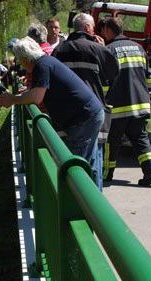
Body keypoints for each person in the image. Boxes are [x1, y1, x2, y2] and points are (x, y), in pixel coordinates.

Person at [0, 37, 104, 185]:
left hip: (83, 118)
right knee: (88, 161)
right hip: (88, 114)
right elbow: (37, 91)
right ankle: (92, 201)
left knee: (78, 166)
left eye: (19, 60)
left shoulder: (41, 66)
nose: (20, 64)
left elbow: (36, 97)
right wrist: (19, 95)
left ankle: (82, 204)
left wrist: (12, 100)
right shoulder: (45, 62)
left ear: (25, 58)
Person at [56, 13, 119, 190]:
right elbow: (113, 75)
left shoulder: (59, 50)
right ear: (87, 28)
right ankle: (93, 200)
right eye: (93, 27)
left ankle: (73, 195)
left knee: (69, 157)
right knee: (94, 157)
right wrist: (104, 49)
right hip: (93, 112)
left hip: (65, 113)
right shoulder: (98, 49)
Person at [99, 17, 151, 186]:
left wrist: (102, 100)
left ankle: (106, 175)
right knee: (141, 140)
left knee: (111, 143)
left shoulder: (109, 50)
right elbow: (149, 80)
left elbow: (105, 82)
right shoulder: (139, 48)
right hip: (140, 105)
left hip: (117, 109)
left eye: (103, 30)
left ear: (108, 31)